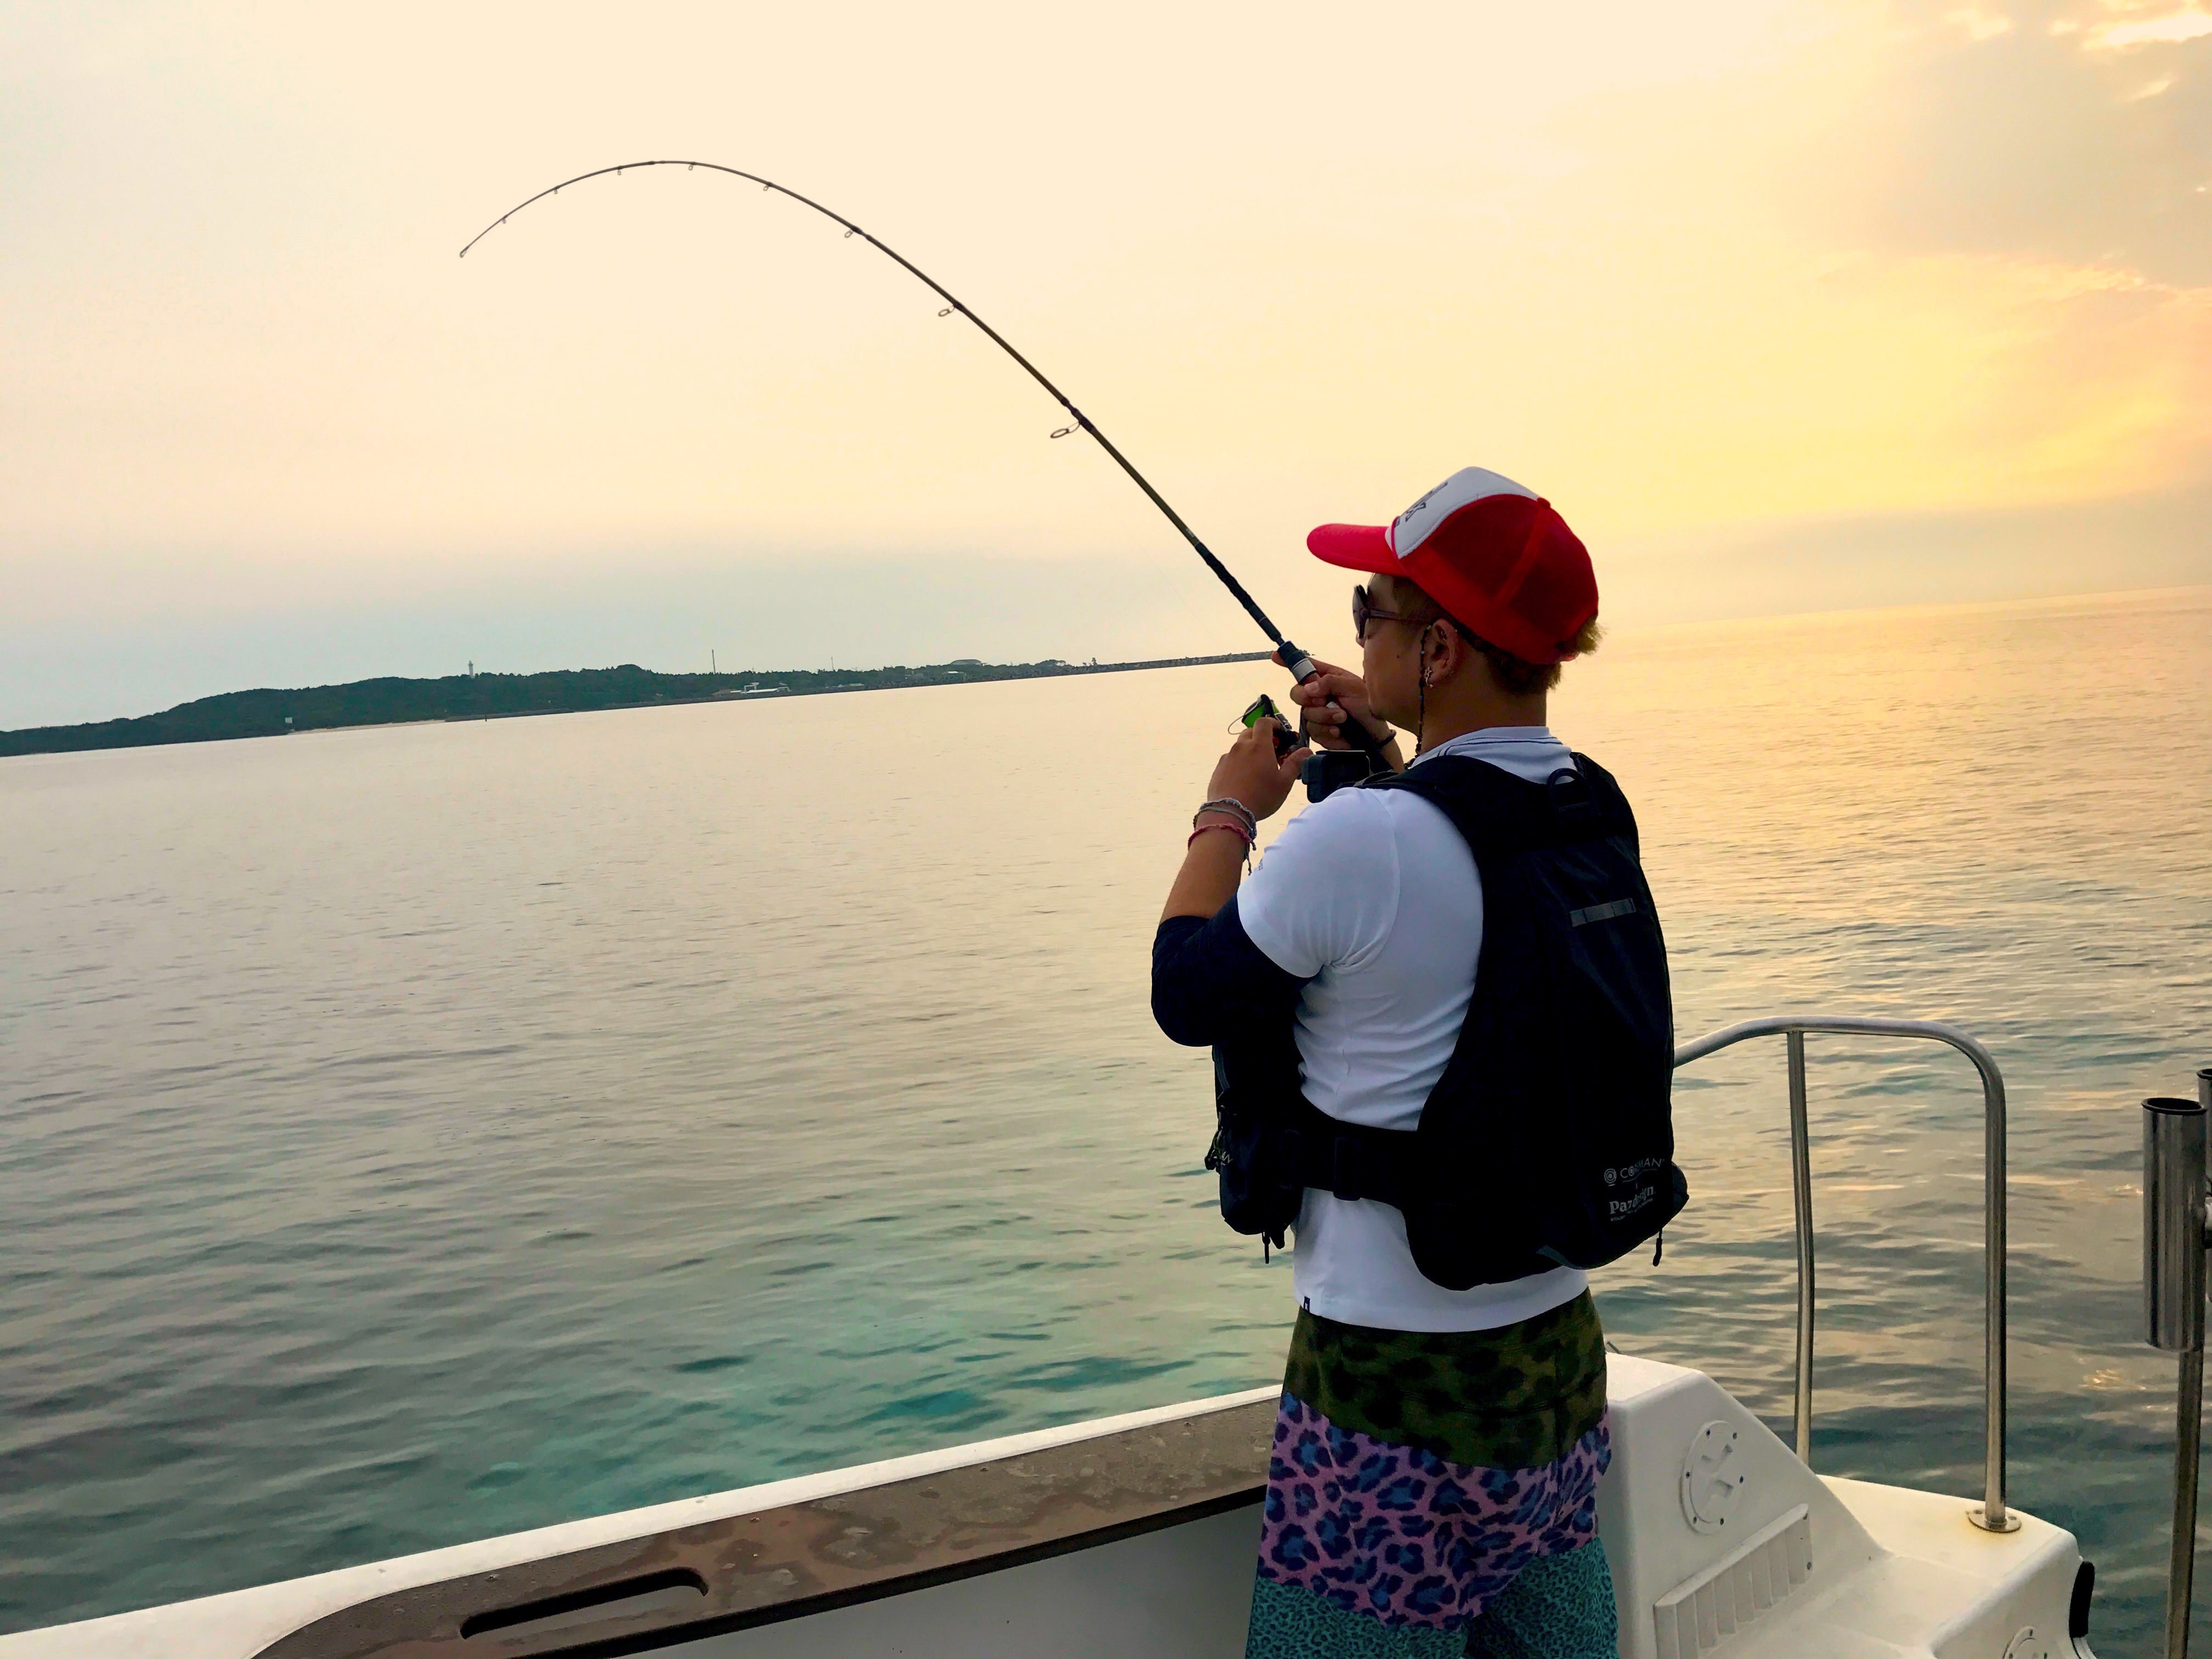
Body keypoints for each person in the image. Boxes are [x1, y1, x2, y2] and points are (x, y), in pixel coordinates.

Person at [1152, 467, 1626, 1659]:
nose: (1355, 633)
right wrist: (1376, 756)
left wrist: (1228, 810)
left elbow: (1185, 991)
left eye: (1372, 613)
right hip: (1555, 1353)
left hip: (1389, 1378)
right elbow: (1454, 876)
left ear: (1443, 647)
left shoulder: (1362, 837)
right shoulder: (1585, 806)